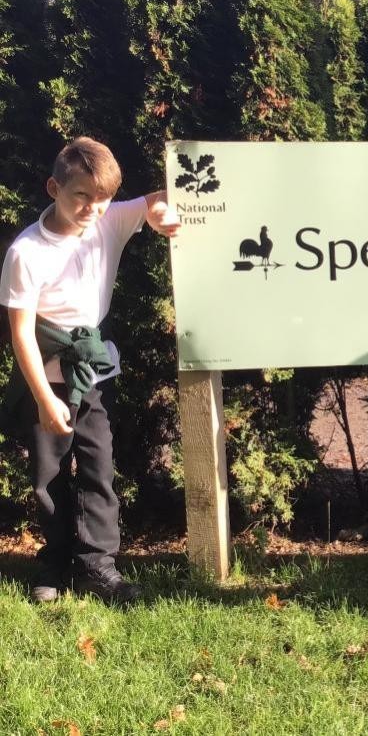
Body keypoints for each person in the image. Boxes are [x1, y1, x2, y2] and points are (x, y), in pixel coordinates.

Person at [1, 137, 180, 603]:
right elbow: (21, 334)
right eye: (81, 195)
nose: (93, 208)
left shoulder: (108, 221)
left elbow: (154, 200)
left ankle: (98, 567)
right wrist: (44, 399)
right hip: (48, 379)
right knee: (49, 476)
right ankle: (55, 565)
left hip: (95, 376)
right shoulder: (26, 252)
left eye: (102, 199)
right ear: (53, 188)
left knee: (99, 470)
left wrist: (159, 211)